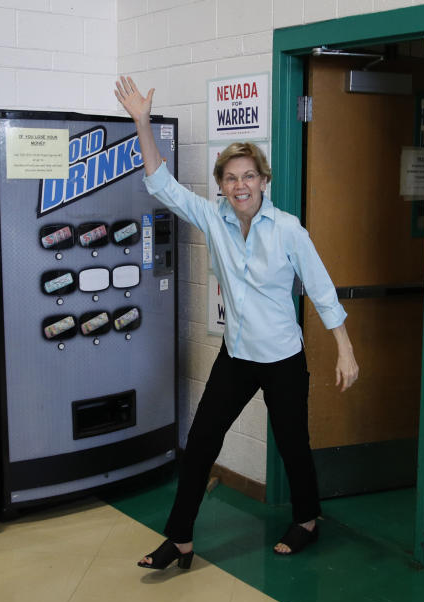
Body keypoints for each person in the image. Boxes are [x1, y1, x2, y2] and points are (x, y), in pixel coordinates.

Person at [114, 75, 359, 566]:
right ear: (222, 186)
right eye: (230, 178)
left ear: (263, 182)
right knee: (202, 441)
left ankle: (307, 518)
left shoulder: (287, 229)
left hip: (283, 358)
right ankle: (180, 537)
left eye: (248, 176)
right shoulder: (214, 219)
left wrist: (345, 348)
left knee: (293, 445)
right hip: (237, 354)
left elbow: (321, 288)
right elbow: (161, 184)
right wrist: (142, 122)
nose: (239, 186)